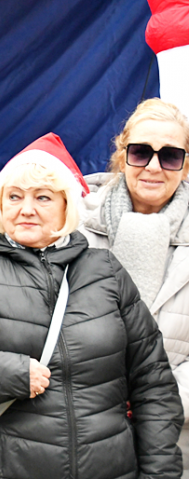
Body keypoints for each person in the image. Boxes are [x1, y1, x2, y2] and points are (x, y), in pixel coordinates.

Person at [0, 132, 183, 479]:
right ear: (0, 205)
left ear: (66, 206)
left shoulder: (105, 271)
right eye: (14, 196)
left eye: (42, 197)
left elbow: (153, 384)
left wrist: (160, 473)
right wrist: (3, 373)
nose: (26, 209)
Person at [78, 98, 189, 476]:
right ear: (122, 154)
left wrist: (157, 401)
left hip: (177, 442)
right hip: (83, 435)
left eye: (171, 156)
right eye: (141, 152)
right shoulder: (73, 226)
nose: (154, 167)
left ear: (185, 163)